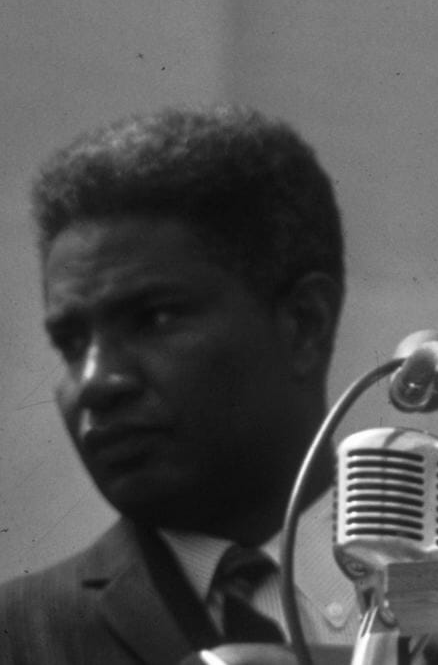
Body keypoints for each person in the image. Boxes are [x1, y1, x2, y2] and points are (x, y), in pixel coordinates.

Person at [0, 105, 358, 664]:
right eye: (70, 343)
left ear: (304, 324)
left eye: (155, 318)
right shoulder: (18, 640)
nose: (96, 382)